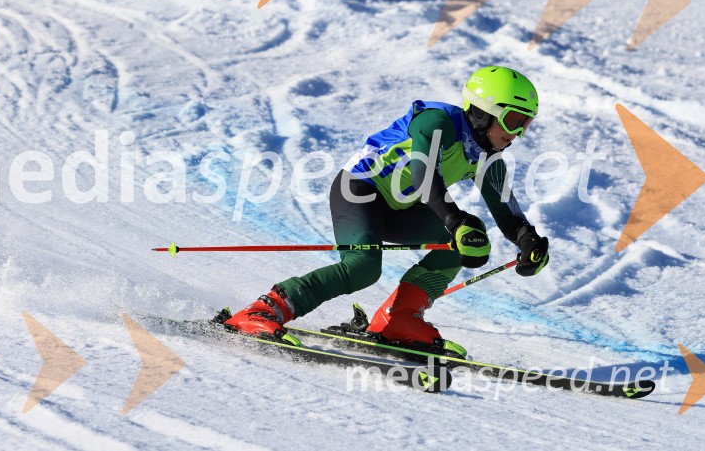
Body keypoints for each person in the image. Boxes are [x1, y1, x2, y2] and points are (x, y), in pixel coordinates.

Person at [224, 66, 550, 349]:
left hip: (402, 210)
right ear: (482, 112)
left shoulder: (489, 158)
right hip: (360, 190)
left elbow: (507, 211)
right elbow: (423, 175)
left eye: (526, 124)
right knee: (363, 267)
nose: (518, 133)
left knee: (462, 241)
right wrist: (456, 219)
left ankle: (399, 319)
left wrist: (528, 241)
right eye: (513, 120)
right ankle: (264, 310)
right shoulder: (438, 122)